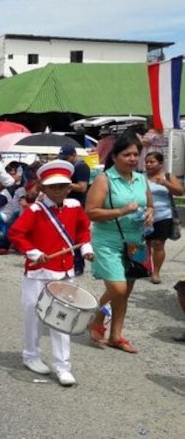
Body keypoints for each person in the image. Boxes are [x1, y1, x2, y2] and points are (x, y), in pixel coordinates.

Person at [8, 160, 94, 387]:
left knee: (61, 320)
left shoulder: (75, 206)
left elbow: (83, 229)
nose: (58, 190)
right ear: (43, 188)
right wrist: (34, 252)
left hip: (64, 272)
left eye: (63, 186)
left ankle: (62, 366)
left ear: (69, 187)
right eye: (53, 186)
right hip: (38, 272)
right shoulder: (36, 210)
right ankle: (31, 355)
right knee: (33, 315)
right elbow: (16, 234)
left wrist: (85, 247)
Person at [85, 133, 152, 353]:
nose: (133, 158)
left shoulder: (141, 178)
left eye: (136, 154)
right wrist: (122, 210)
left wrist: (150, 213)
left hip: (135, 242)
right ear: (114, 156)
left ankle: (116, 336)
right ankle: (96, 315)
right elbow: (91, 212)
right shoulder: (104, 179)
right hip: (108, 240)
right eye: (127, 154)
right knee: (117, 287)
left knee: (125, 293)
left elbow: (148, 204)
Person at [144, 152, 184, 284]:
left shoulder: (167, 176)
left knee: (158, 244)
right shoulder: (140, 177)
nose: (149, 164)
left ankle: (156, 272)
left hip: (163, 216)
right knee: (143, 244)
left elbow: (180, 191)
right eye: (147, 162)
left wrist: (165, 183)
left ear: (160, 164)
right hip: (143, 216)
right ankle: (145, 267)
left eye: (152, 162)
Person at [57, 145, 91, 275]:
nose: (64, 160)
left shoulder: (81, 167)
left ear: (73, 155)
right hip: (68, 203)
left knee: (77, 235)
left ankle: (78, 265)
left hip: (78, 204)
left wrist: (66, 184)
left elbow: (82, 187)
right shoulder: (70, 167)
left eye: (66, 158)